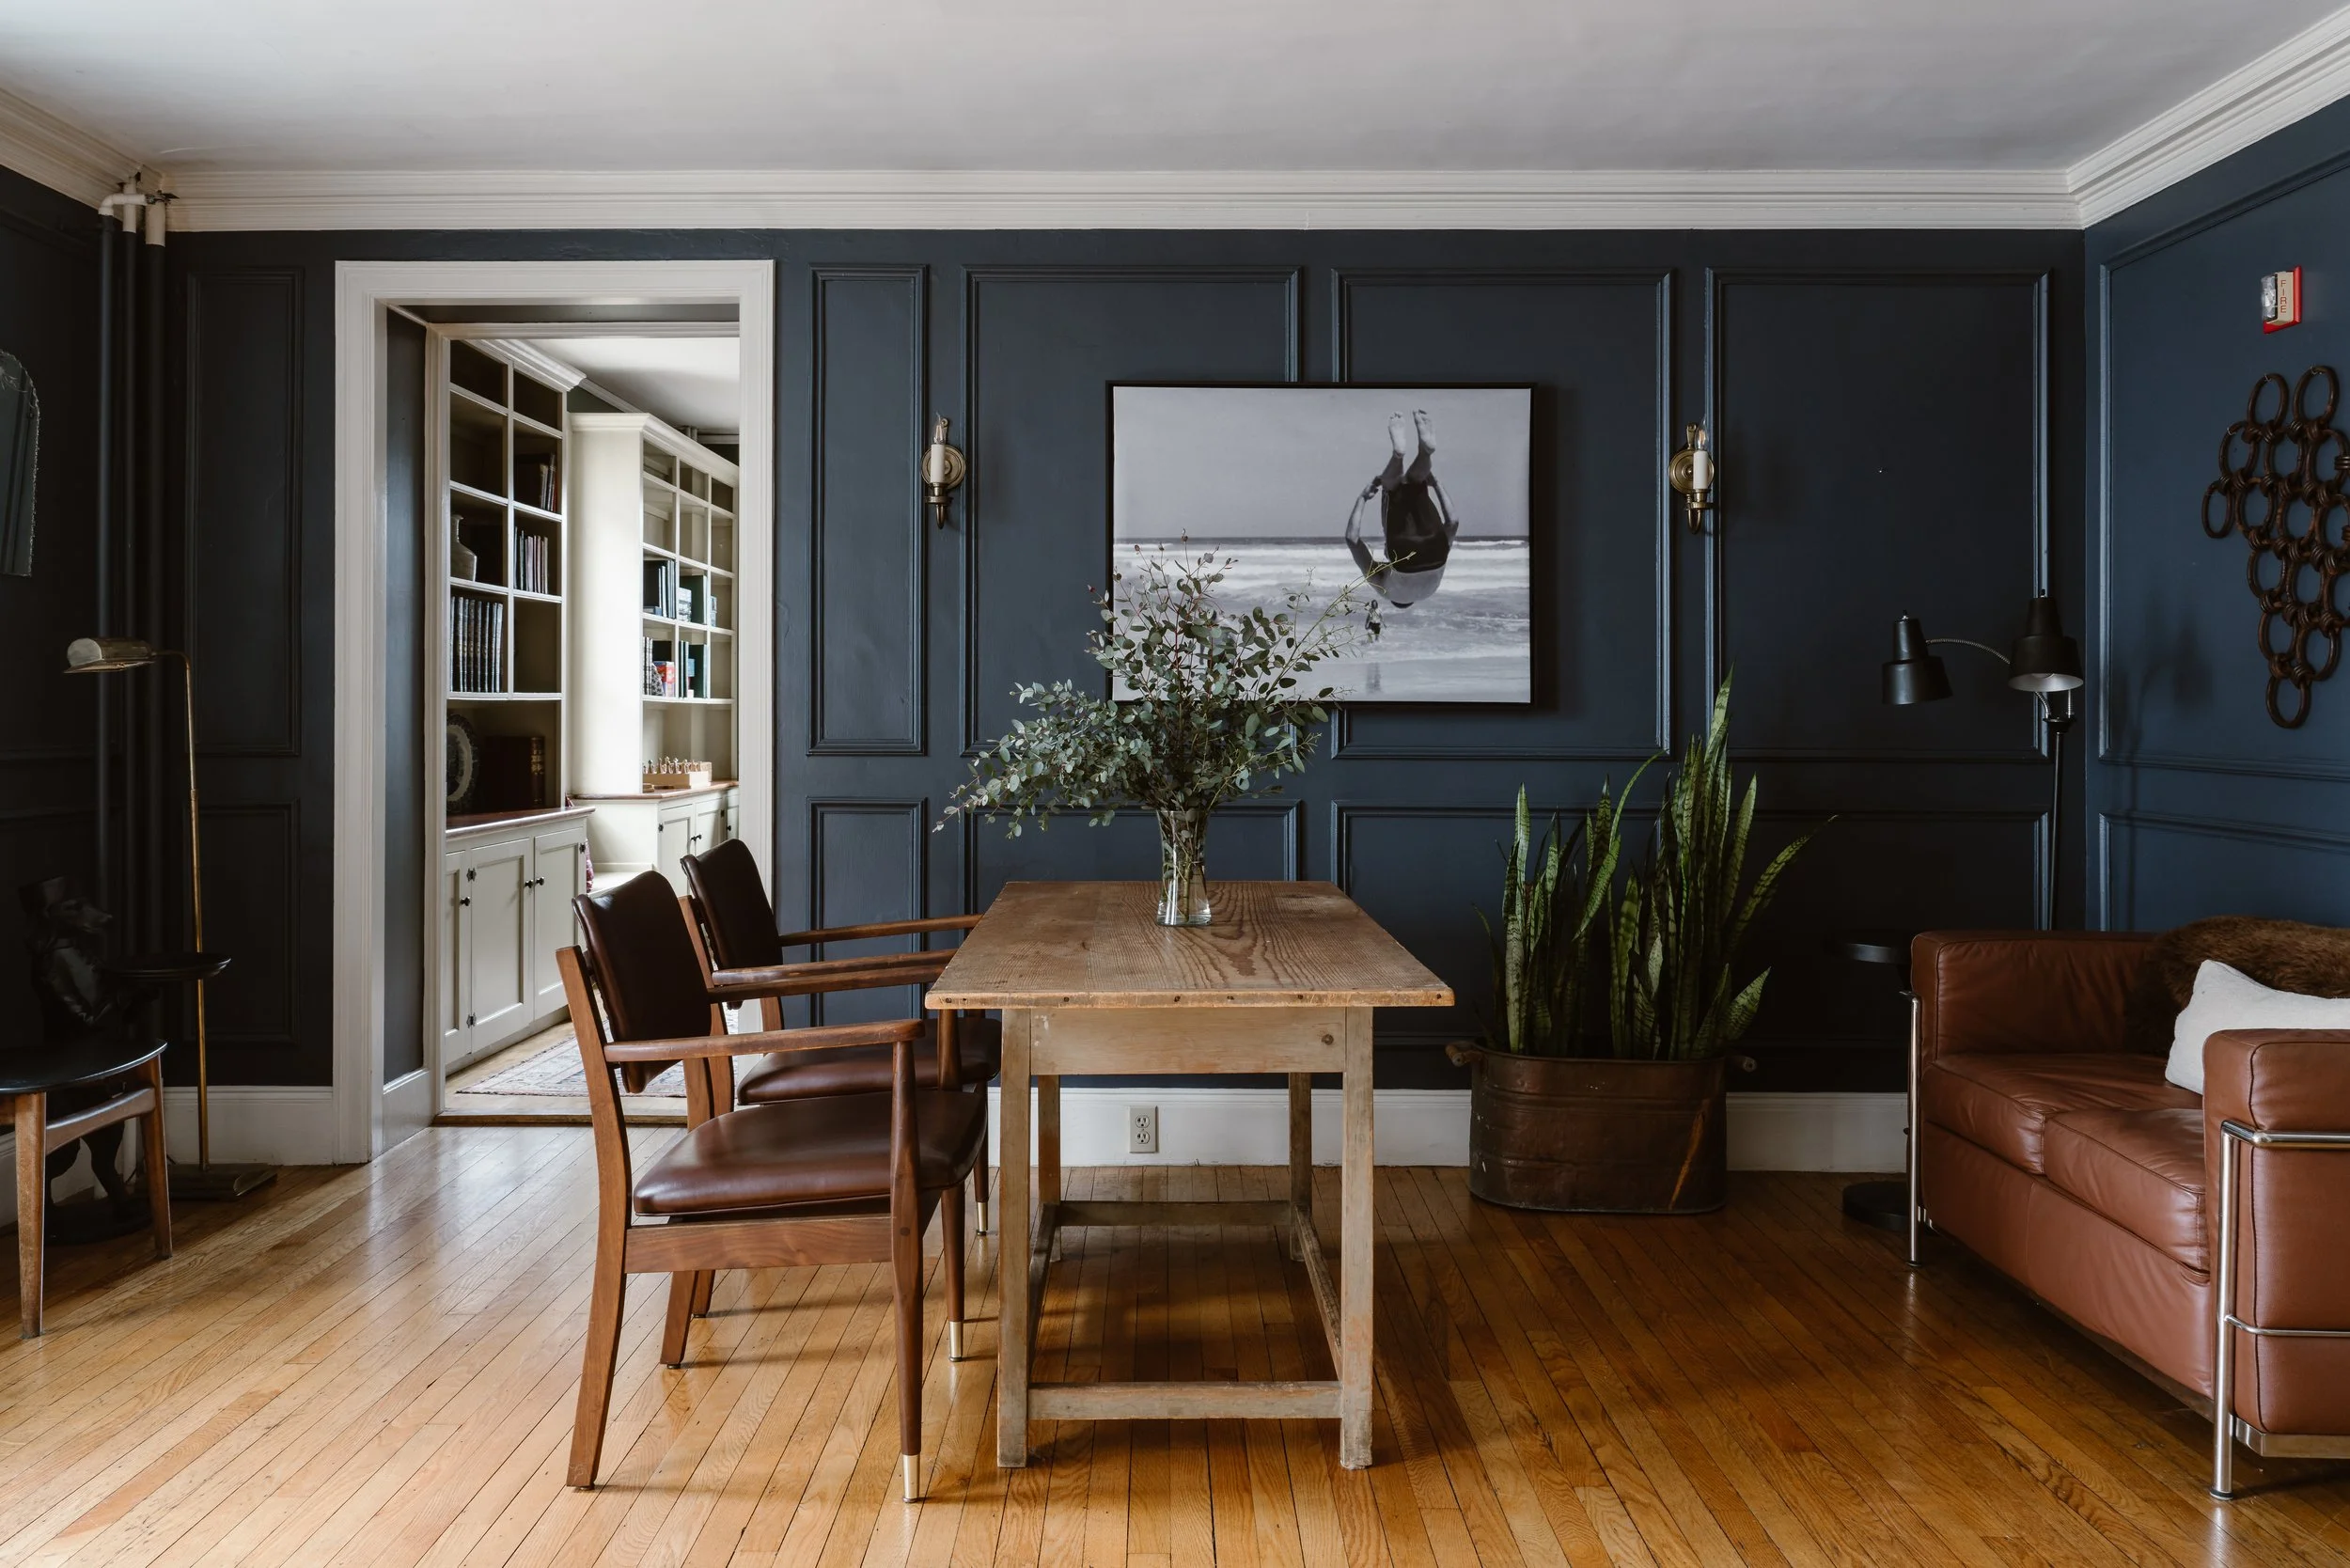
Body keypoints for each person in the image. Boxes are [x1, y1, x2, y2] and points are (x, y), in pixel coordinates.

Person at [1345, 408, 1459, 607]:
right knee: (1391, 488)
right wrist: (1363, 498)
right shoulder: (1386, 591)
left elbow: (1453, 523)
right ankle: (1397, 455)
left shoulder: (1431, 589)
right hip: (1403, 557)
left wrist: (1437, 484)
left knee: (1416, 484)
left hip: (1437, 554)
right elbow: (1352, 540)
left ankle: (1426, 452)